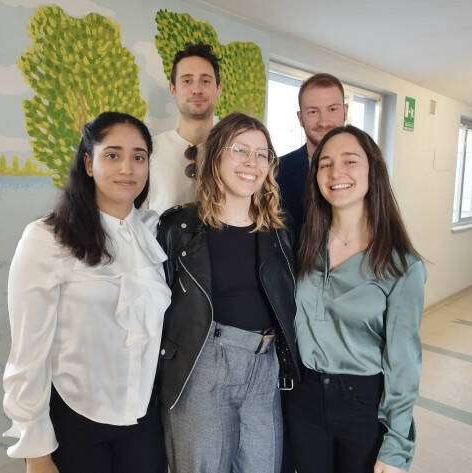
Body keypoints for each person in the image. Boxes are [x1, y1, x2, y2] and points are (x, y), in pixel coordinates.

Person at [2, 112, 171, 473]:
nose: (127, 167)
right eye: (112, 155)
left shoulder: (153, 232)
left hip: (143, 418)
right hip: (76, 420)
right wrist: (37, 452)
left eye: (138, 156)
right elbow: (27, 354)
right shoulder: (46, 239)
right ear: (88, 164)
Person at [156, 112, 301, 473]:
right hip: (203, 364)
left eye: (262, 154)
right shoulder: (179, 226)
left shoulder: (280, 229)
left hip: (264, 366)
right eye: (240, 150)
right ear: (216, 156)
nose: (252, 162)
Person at [285, 125, 426, 473]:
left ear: (372, 172)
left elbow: (404, 364)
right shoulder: (301, 246)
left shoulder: (402, 266)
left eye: (350, 161)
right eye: (325, 164)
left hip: (363, 406)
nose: (336, 173)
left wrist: (397, 447)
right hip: (302, 399)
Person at [148, 43, 222, 214]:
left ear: (218, 89)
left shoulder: (234, 153)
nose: (196, 89)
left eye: (205, 81)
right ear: (173, 89)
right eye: (187, 81)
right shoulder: (149, 150)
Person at [276, 73, 348, 236]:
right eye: (313, 112)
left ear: (345, 111)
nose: (324, 121)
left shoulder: (368, 169)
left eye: (332, 109)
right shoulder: (276, 172)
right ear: (300, 118)